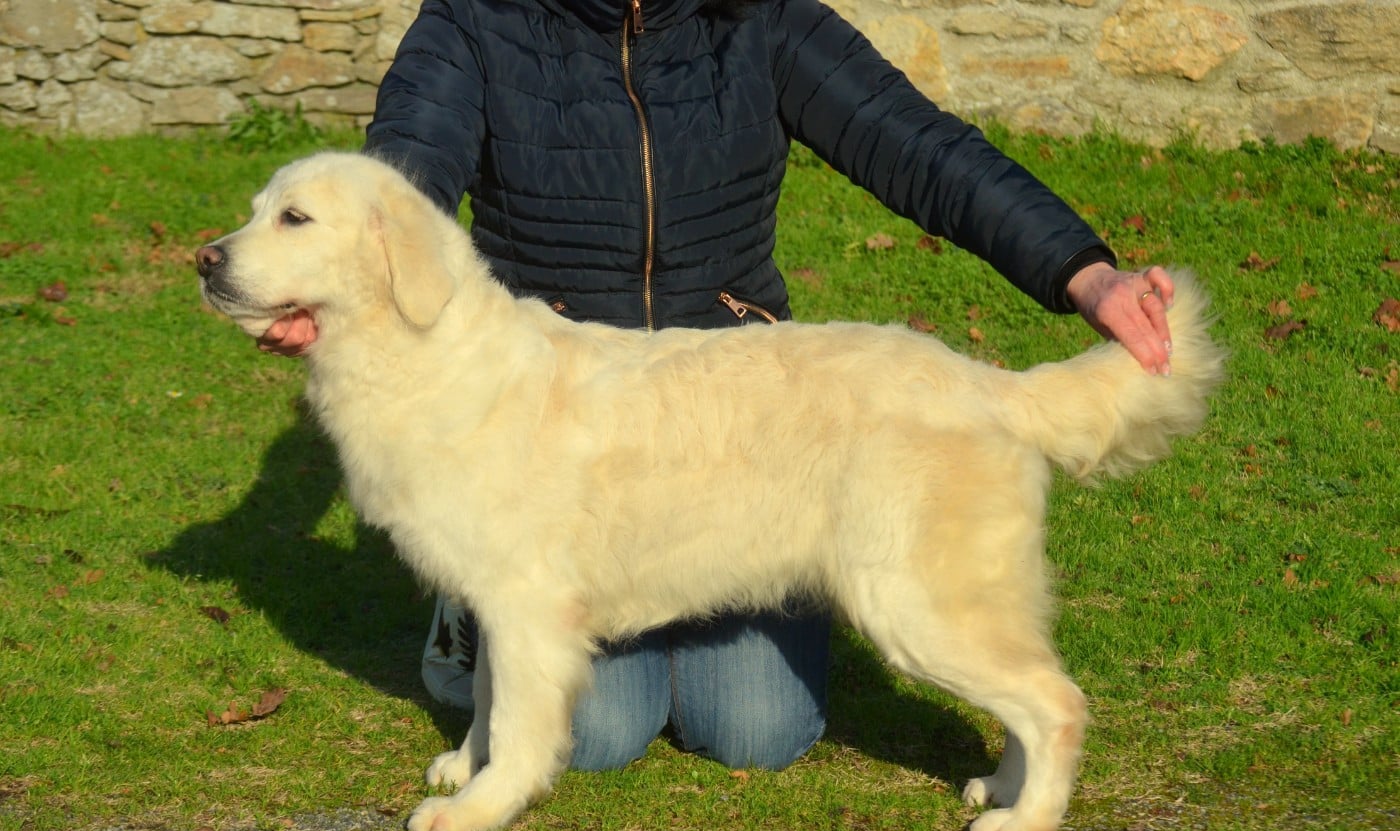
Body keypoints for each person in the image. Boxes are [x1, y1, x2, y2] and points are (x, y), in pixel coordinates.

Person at [257, 0, 1174, 775]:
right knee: (597, 736)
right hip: (552, 418)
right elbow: (401, 182)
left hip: (745, 424)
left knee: (753, 730)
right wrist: (334, 285)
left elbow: (919, 147)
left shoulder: (760, 18)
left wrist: (1082, 272)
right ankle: (478, 600)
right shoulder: (479, 17)